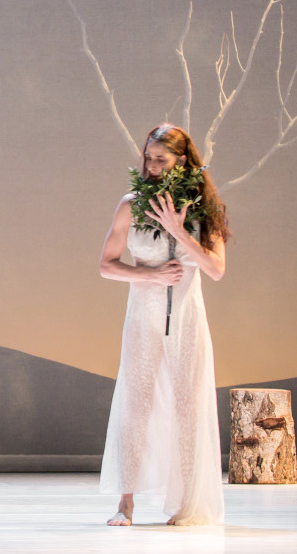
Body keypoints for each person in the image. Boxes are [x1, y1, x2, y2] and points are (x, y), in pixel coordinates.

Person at [98, 125, 229, 527]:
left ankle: (188, 503)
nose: (152, 166)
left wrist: (177, 231)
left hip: (187, 317)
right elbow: (106, 265)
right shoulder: (131, 203)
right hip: (143, 316)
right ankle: (126, 503)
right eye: (148, 158)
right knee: (136, 405)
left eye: (161, 159)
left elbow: (216, 269)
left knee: (188, 406)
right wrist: (151, 277)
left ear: (183, 161)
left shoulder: (203, 207)